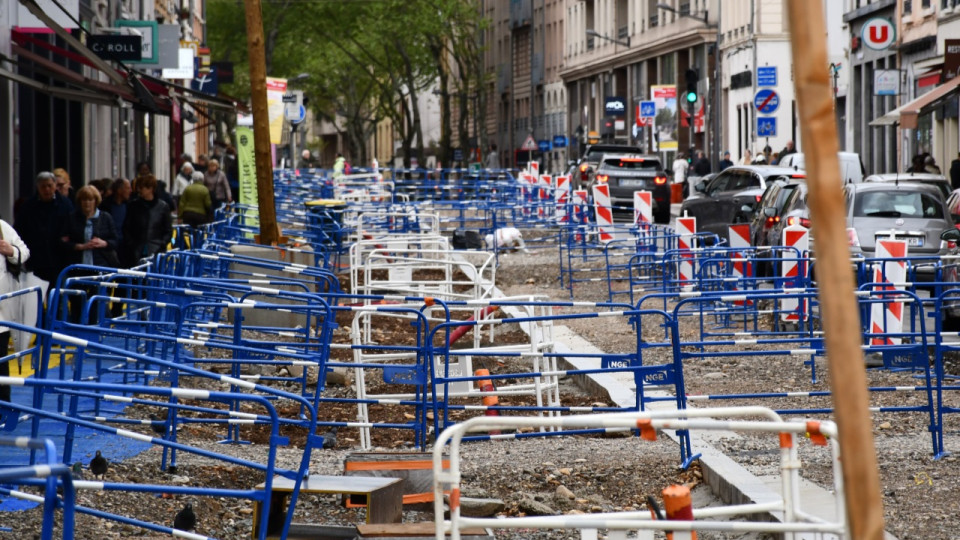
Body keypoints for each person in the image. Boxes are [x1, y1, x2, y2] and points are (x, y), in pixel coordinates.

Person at [60, 186, 120, 322]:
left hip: (100, 266)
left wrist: (103, 243)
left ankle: (95, 334)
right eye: (84, 199)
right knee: (76, 303)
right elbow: (62, 241)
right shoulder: (72, 218)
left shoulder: (105, 217)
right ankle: (76, 333)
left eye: (90, 199)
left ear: (96, 201)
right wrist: (79, 246)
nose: (87, 203)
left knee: (97, 304)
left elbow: (116, 240)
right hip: (78, 268)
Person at [14, 171, 72, 284]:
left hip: (59, 258)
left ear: (55, 186)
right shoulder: (28, 206)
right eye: (43, 186)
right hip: (36, 259)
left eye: (49, 186)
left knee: (57, 294)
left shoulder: (65, 205)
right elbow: (19, 230)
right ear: (38, 187)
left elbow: (72, 226)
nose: (46, 189)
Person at [0, 218, 29, 402]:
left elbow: (24, 251)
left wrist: (11, 251)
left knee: (0, 360)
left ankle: (4, 406)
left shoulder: (1, 226)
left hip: (2, 309)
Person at [122, 175, 172, 267]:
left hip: (156, 250)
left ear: (150, 189)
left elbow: (168, 230)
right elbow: (126, 227)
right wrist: (131, 244)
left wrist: (161, 244)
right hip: (136, 250)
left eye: (141, 187)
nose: (138, 190)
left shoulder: (163, 207)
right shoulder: (133, 206)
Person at [101, 178, 132, 246]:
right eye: (127, 188)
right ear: (119, 190)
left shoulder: (130, 206)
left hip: (126, 245)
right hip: (110, 245)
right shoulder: (105, 206)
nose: (130, 191)